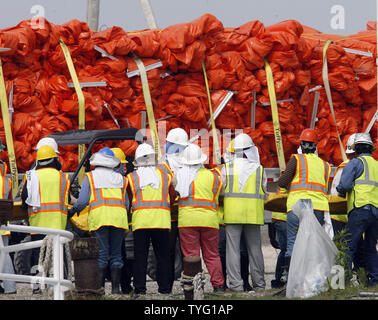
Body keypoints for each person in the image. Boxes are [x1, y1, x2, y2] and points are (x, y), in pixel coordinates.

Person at [68, 147, 129, 294]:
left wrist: (72, 211)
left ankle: (99, 289)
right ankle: (116, 290)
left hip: (100, 218)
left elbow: (82, 201)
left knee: (101, 255)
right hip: (119, 219)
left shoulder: (91, 177)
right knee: (116, 255)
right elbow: (126, 204)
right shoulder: (121, 179)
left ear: (97, 162)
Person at [278, 128, 331, 274]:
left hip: (297, 207)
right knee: (313, 244)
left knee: (293, 244)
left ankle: (291, 281)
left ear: (301, 144)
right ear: (315, 146)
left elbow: (282, 183)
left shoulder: (296, 159)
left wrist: (285, 178)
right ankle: (311, 280)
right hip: (318, 208)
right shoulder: (325, 165)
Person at [174, 143, 224, 292]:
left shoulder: (179, 177)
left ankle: (195, 288)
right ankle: (218, 286)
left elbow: (175, 192)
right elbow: (219, 195)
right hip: (209, 220)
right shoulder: (213, 176)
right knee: (212, 255)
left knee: (191, 256)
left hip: (187, 220)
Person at [127, 143, 175, 295]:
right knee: (163, 256)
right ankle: (164, 288)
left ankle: (140, 288)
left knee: (140, 256)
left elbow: (129, 198)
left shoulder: (131, 178)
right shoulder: (166, 177)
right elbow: (172, 196)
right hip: (161, 221)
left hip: (141, 222)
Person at [21, 144, 70, 293]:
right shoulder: (63, 177)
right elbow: (66, 199)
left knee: (39, 256)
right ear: (54, 159)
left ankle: (37, 287)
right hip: (58, 224)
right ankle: (60, 287)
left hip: (38, 223)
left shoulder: (30, 176)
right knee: (59, 257)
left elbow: (24, 200)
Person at [221, 133, 266, 292]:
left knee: (232, 251)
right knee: (255, 250)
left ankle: (236, 285)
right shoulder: (259, 169)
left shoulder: (227, 168)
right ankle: (259, 285)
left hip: (233, 214)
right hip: (253, 215)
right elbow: (264, 191)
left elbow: (221, 191)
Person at [336, 132, 378, 287]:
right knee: (370, 247)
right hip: (376, 212)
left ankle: (343, 282)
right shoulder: (376, 165)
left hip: (360, 209)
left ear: (357, 149)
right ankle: (375, 281)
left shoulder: (354, 163)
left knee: (348, 245)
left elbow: (345, 185)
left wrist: (341, 190)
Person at [213, 139, 252, 292]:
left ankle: (235, 283)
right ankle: (234, 283)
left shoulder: (224, 171)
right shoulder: (220, 172)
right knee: (238, 251)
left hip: (228, 217)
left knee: (232, 251)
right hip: (228, 217)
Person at [160, 128, 189, 291]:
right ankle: (177, 286)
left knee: (175, 253)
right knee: (178, 252)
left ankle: (173, 286)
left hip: (177, 215)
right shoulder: (166, 165)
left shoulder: (165, 165)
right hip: (179, 215)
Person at [111, 147, 134, 294]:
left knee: (105, 255)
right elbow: (126, 204)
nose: (124, 167)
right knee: (119, 255)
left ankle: (104, 287)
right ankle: (123, 286)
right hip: (119, 222)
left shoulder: (95, 177)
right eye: (121, 164)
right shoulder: (122, 181)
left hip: (101, 221)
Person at [330, 133, 357, 234]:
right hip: (341, 215)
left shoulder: (351, 166)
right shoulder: (346, 166)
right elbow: (336, 191)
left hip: (346, 214)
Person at [0, 139, 17, 294]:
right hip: (4, 223)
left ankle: (10, 287)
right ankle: (9, 287)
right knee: (4, 255)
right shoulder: (6, 179)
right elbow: (10, 200)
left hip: (2, 222)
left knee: (3, 257)